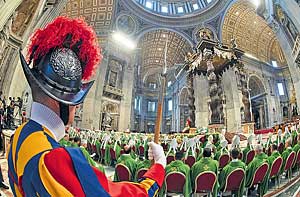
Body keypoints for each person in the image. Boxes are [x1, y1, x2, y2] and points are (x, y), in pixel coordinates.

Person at [8, 16, 166, 196]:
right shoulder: (57, 161)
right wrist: (159, 165)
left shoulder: (19, 135)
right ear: (62, 102)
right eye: (75, 102)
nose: (76, 109)